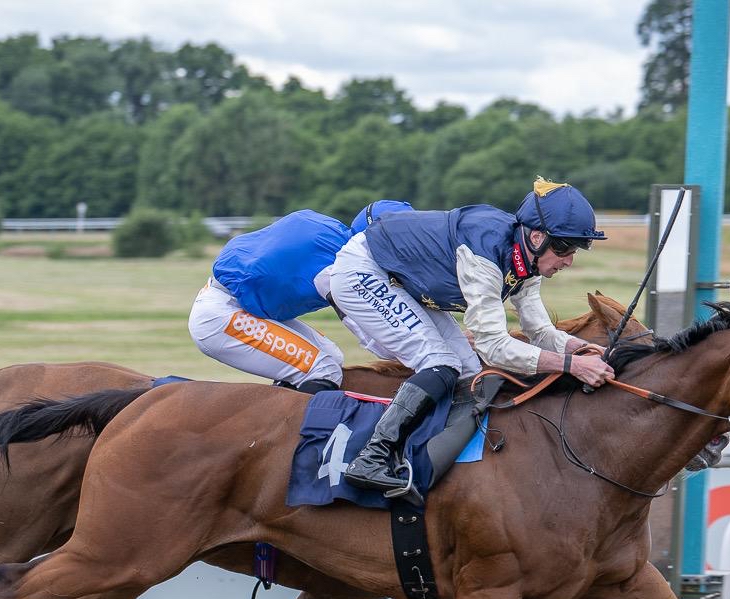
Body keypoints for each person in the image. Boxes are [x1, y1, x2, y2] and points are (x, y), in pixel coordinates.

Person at [330, 178, 617, 498]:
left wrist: (584, 348)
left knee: (469, 371)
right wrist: (571, 366)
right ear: (536, 236)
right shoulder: (485, 253)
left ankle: (427, 463)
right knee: (440, 362)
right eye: (563, 248)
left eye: (575, 250)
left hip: (402, 280)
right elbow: (493, 346)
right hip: (365, 270)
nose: (568, 260)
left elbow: (540, 332)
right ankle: (372, 457)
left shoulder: (527, 261)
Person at [188, 201, 412, 393]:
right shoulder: (338, 266)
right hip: (222, 316)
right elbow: (366, 326)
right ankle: (285, 442)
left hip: (229, 303)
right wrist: (415, 357)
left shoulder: (328, 230)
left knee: (333, 357)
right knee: (324, 370)